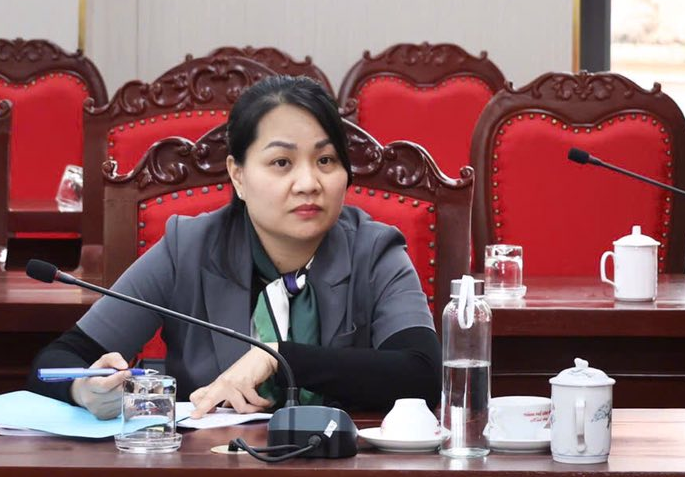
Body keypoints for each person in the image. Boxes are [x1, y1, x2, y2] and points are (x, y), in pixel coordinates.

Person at [30, 75, 440, 417]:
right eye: (281, 163)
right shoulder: (187, 248)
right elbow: (58, 360)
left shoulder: (375, 250)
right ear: (238, 175)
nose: (308, 183)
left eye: (326, 161)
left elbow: (423, 374)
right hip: (208, 476)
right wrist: (85, 389)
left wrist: (278, 357)